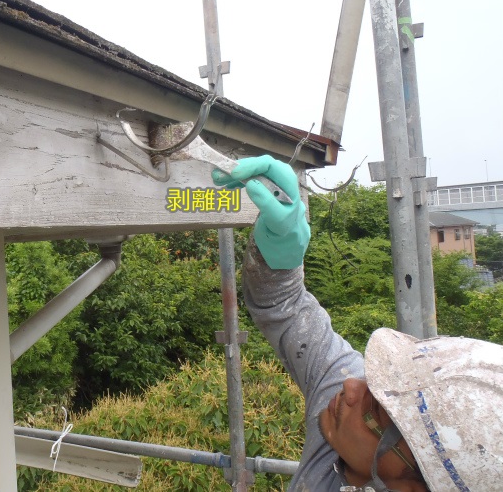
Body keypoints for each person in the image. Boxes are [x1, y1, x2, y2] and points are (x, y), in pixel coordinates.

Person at [212, 155, 503, 492]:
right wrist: (278, 252)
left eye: (377, 412)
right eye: (374, 385)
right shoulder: (342, 426)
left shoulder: (343, 424)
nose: (351, 387)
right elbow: (284, 305)